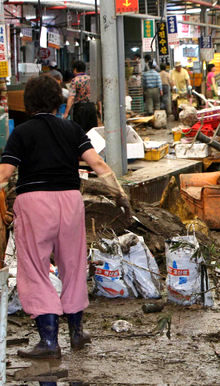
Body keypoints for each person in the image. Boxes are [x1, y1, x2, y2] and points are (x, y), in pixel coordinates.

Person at [0, 75, 130, 359]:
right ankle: (76, 332)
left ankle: (48, 341)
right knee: (72, 265)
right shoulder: (72, 129)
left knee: (34, 268)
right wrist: (119, 194)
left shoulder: (22, 132)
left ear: (29, 103)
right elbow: (97, 163)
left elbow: (5, 174)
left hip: (35, 203)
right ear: (58, 102)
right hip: (70, 201)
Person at [63, 60, 98, 133]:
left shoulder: (74, 80)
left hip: (80, 109)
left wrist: (66, 112)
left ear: (75, 69)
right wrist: (99, 108)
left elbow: (71, 97)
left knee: (80, 132)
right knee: (92, 132)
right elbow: (96, 95)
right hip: (91, 107)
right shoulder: (91, 79)